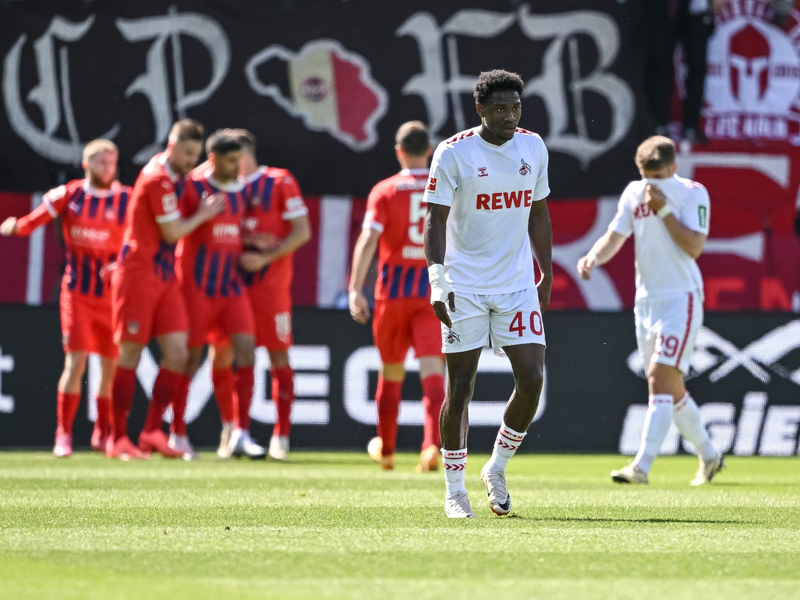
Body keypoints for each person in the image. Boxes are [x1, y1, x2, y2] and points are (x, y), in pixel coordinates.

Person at [424, 70, 552, 518]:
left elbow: (538, 210)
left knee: (533, 379)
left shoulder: (533, 147)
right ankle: (454, 491)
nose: (510, 116)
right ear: (480, 109)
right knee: (461, 387)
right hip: (466, 288)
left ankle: (495, 468)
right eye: (500, 108)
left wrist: (546, 271)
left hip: (516, 285)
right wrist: (438, 279)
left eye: (516, 108)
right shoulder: (454, 152)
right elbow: (435, 220)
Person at [576, 135, 724, 485]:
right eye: (646, 176)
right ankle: (710, 456)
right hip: (646, 301)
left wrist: (664, 210)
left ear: (674, 168)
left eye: (658, 177)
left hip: (680, 298)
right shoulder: (633, 192)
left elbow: (694, 246)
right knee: (671, 389)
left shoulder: (692, 192)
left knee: (658, 379)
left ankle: (641, 467)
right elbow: (615, 235)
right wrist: (594, 256)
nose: (651, 185)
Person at [0, 140, 128, 457]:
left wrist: (122, 263)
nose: (107, 167)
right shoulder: (69, 194)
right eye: (101, 161)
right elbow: (37, 219)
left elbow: (139, 238)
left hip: (112, 296)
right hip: (79, 292)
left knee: (111, 367)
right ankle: (64, 434)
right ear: (86, 164)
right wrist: (17, 227)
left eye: (112, 161)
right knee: (76, 362)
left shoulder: (126, 199)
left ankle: (103, 432)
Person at [109, 119, 224, 459]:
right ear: (171, 146)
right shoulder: (158, 179)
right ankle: (117, 439)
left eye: (196, 155)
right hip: (138, 274)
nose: (192, 161)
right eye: (187, 153)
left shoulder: (179, 176)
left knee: (179, 353)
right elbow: (173, 232)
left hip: (163, 276)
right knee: (129, 353)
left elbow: (192, 194)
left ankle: (150, 432)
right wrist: (204, 213)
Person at [349, 121, 445, 472]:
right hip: (432, 290)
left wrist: (354, 288)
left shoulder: (385, 190)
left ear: (398, 152)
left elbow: (368, 240)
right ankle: (432, 444)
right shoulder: (443, 187)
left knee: (391, 372)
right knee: (433, 370)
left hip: (392, 293)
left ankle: (387, 450)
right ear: (430, 150)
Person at [210, 129, 311, 461]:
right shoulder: (222, 187)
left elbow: (302, 231)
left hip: (271, 290)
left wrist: (265, 257)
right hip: (230, 287)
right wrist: (250, 244)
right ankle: (234, 429)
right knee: (223, 356)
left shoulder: (280, 181)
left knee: (278, 358)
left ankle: (281, 436)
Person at [171, 131, 260, 460]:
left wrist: (255, 240)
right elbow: (171, 227)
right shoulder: (193, 187)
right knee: (190, 359)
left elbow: (233, 229)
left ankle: (240, 431)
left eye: (240, 160)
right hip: (196, 287)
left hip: (231, 286)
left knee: (246, 352)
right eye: (232, 161)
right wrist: (202, 215)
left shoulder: (242, 189)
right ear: (213, 159)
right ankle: (177, 432)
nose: (238, 167)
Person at [645, 0, 728, 144]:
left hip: (697, 8)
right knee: (659, 63)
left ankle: (691, 126)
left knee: (697, 66)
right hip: (666, 7)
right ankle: (657, 124)